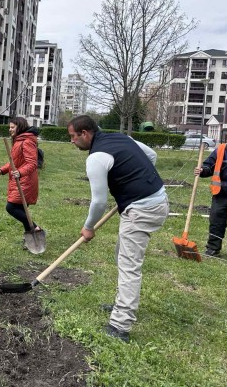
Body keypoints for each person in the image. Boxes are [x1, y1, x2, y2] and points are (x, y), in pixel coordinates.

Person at [67, 115, 169, 343]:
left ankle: (120, 324)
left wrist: (88, 227)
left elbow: (99, 202)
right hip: (155, 200)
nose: (72, 142)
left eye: (73, 137)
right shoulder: (121, 137)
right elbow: (152, 156)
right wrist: (134, 178)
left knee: (129, 264)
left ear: (85, 133)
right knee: (122, 254)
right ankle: (123, 301)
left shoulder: (96, 158)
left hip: (142, 209)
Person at [0, 117, 44, 250]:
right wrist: (2, 170)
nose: (10, 130)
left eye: (12, 127)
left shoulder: (27, 141)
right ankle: (31, 239)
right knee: (22, 211)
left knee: (11, 208)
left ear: (19, 127)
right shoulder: (19, 141)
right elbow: (14, 162)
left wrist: (20, 173)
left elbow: (32, 163)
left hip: (25, 181)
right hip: (21, 180)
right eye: (9, 127)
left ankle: (35, 228)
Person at [194, 125, 227, 260]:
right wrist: (202, 170)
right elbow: (209, 166)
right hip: (221, 194)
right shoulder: (222, 150)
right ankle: (213, 248)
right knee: (216, 223)